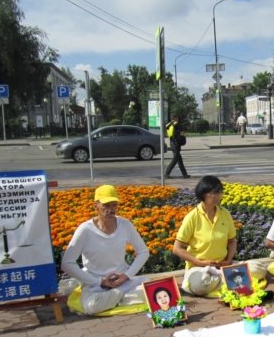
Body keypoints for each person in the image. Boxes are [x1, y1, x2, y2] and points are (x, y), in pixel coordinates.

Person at [61, 185, 150, 315]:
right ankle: (121, 297)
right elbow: (67, 263)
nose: (111, 209)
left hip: (123, 280)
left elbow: (143, 252)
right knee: (92, 306)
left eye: (114, 205)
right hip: (96, 284)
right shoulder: (85, 230)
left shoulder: (125, 224)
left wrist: (126, 276)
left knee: (154, 291)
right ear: (95, 206)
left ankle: (115, 298)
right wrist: (101, 282)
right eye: (106, 205)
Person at [172, 175, 237, 296]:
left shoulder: (225, 214)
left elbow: (232, 241)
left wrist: (228, 260)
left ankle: (225, 280)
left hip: (221, 265)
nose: (216, 196)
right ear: (202, 194)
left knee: (255, 269)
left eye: (218, 192)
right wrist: (200, 263)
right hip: (199, 268)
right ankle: (229, 282)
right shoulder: (192, 217)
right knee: (200, 284)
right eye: (211, 193)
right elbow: (177, 248)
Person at [165, 114, 190, 179]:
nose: (178, 119)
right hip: (176, 143)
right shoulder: (176, 124)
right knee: (175, 159)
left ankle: (185, 174)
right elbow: (182, 132)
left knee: (179, 160)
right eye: (177, 118)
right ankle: (167, 173)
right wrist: (183, 136)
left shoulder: (168, 125)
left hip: (172, 143)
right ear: (175, 118)